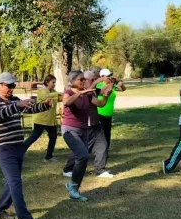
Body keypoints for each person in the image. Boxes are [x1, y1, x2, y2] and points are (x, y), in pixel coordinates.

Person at [0, 72, 53, 219]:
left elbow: (31, 108)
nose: (11, 89)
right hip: (5, 148)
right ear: (0, 85)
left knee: (13, 181)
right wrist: (18, 105)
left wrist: (44, 105)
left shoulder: (15, 100)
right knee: (16, 182)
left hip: (18, 147)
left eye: (13, 86)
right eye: (8, 86)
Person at [61, 71, 112, 202]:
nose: (84, 81)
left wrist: (106, 95)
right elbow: (66, 102)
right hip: (69, 130)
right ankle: (72, 184)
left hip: (83, 130)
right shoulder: (69, 92)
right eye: (80, 79)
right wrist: (79, 93)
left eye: (84, 79)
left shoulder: (87, 95)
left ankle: (74, 189)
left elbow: (100, 104)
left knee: (83, 159)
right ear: (72, 81)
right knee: (83, 155)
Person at [23, 75, 60, 161]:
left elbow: (58, 97)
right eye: (53, 82)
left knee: (53, 137)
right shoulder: (42, 90)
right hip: (41, 120)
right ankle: (20, 151)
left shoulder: (53, 91)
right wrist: (60, 93)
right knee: (34, 137)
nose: (54, 84)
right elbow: (48, 96)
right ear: (47, 82)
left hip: (51, 120)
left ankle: (49, 156)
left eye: (55, 82)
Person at [95, 68, 126, 159]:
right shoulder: (99, 85)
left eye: (110, 75)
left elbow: (123, 89)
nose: (110, 78)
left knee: (107, 134)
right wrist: (109, 85)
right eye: (108, 76)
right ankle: (100, 154)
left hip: (109, 114)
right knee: (102, 136)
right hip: (100, 114)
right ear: (102, 77)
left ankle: (105, 152)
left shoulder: (112, 85)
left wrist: (118, 82)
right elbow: (100, 91)